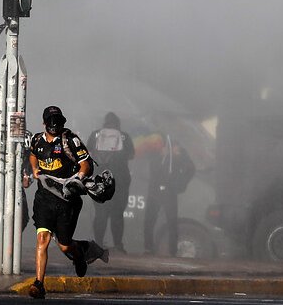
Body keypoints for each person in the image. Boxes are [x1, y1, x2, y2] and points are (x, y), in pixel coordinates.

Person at [26, 106, 107, 299]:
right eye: (51, 121)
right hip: (44, 199)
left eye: (58, 121)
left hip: (67, 201)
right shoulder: (37, 140)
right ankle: (39, 283)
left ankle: (81, 254)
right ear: (44, 123)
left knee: (64, 245)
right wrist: (34, 169)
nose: (54, 125)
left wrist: (77, 178)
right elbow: (32, 155)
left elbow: (86, 164)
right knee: (42, 239)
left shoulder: (71, 140)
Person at [87, 112, 135, 254]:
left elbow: (88, 153)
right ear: (118, 124)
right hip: (120, 180)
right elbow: (131, 154)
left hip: (100, 179)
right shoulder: (124, 136)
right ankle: (118, 245)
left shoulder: (95, 135)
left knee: (100, 213)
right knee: (117, 214)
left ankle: (98, 243)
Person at [143, 133, 195, 257]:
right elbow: (151, 165)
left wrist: (180, 185)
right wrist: (160, 155)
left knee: (172, 221)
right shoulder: (155, 151)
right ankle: (148, 248)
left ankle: (173, 251)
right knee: (149, 221)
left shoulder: (179, 153)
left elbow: (190, 169)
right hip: (154, 192)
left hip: (170, 192)